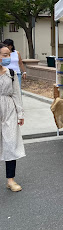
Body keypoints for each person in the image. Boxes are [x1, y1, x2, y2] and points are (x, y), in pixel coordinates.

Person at [0, 42, 25, 192]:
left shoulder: (11, 73)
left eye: (8, 54)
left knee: (10, 144)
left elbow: (16, 94)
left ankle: (10, 180)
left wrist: (20, 113)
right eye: (4, 55)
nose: (8, 57)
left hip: (9, 110)